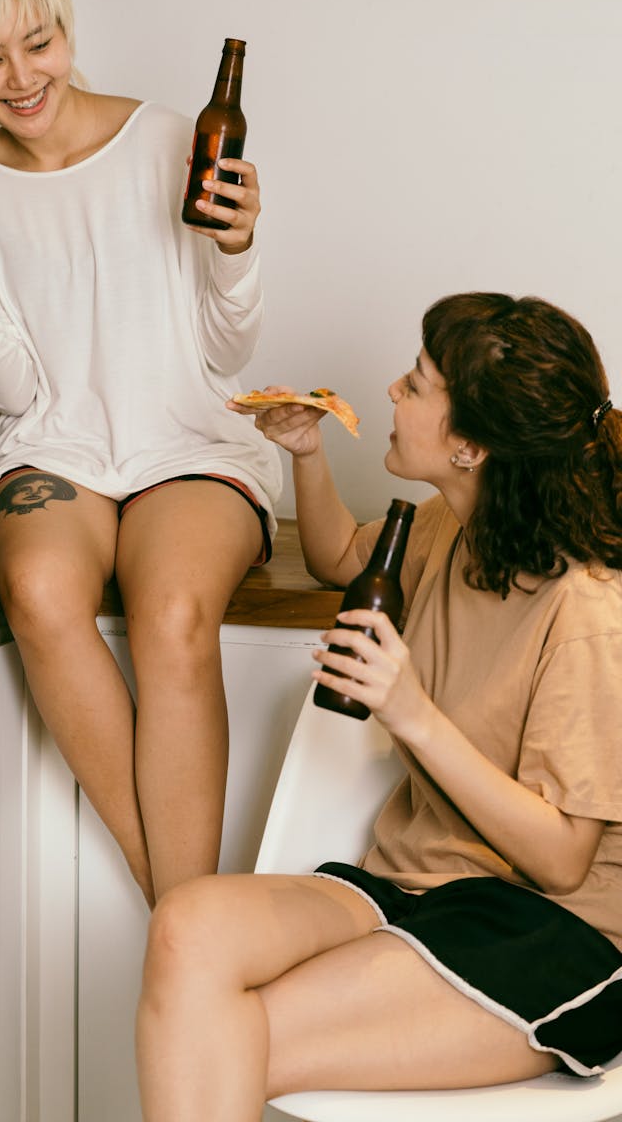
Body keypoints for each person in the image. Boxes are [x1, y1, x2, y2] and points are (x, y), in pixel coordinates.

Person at [0, 0, 281, 908]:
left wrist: (238, 245)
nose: (22, 77)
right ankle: (189, 917)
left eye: (39, 42)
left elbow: (225, 353)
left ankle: (185, 930)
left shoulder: (174, 140)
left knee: (174, 612)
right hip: (50, 446)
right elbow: (13, 389)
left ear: (66, 30)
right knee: (42, 589)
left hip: (187, 439)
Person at [135, 292, 622, 1118]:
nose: (392, 391)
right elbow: (338, 558)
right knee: (186, 925)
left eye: (417, 383)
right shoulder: (449, 527)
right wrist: (306, 453)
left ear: (470, 446)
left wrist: (412, 711)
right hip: (410, 884)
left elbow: (563, 861)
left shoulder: (587, 609)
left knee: (218, 1037)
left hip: (551, 929)